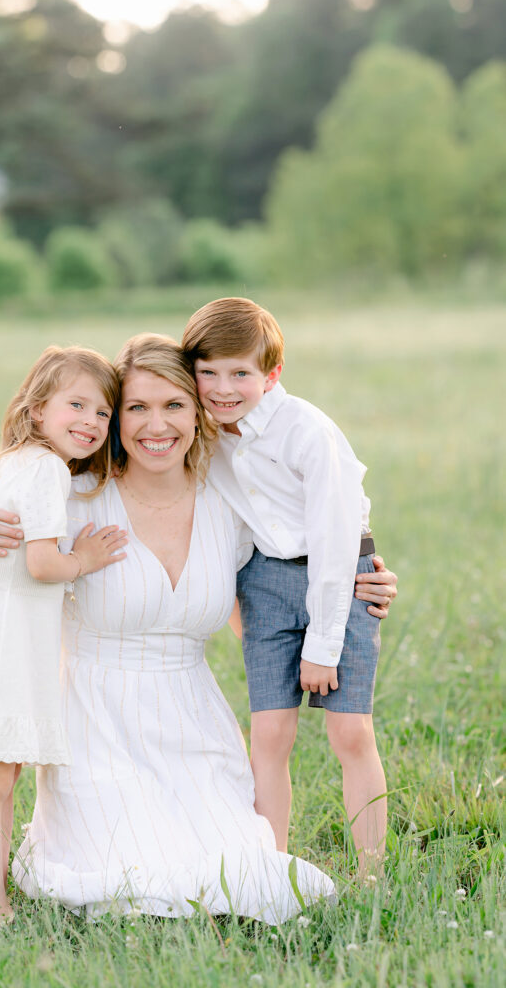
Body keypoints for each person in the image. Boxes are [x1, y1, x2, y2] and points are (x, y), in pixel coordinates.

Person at [0, 334, 344, 923]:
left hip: (196, 725)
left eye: (174, 405)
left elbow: (290, 582)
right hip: (95, 723)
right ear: (115, 418)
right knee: (131, 878)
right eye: (136, 407)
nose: (156, 425)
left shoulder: (231, 506)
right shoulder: (73, 496)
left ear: (198, 411)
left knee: (241, 873)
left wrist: (368, 586)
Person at [182, 297, 393, 875]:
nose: (224, 388)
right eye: (209, 373)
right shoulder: (207, 437)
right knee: (270, 734)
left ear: (271, 374)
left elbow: (335, 536)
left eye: (240, 374)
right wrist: (235, 606)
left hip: (340, 577)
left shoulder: (306, 430)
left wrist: (323, 645)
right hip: (265, 584)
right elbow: (230, 528)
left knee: (350, 732)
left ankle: (372, 874)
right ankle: (269, 870)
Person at [0, 345, 128, 925]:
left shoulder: (15, 462)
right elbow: (44, 565)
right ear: (38, 408)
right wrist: (86, 558)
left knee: (0, 773)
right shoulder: (45, 469)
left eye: (103, 413)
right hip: (11, 639)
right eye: (77, 405)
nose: (91, 423)